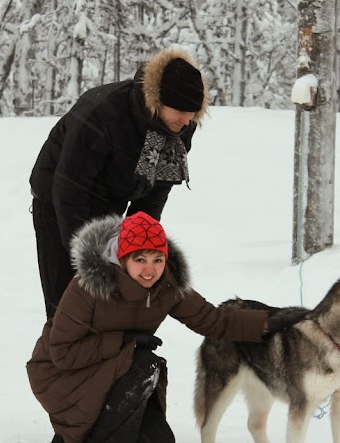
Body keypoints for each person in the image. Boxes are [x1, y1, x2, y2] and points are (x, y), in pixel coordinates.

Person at [26, 212, 305, 443]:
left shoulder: (166, 286)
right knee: (145, 365)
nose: (149, 270)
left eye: (157, 260)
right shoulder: (88, 287)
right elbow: (61, 353)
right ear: (122, 258)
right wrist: (123, 340)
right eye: (140, 260)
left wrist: (269, 323)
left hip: (113, 369)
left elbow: (214, 320)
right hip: (60, 374)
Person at [29, 48, 208, 320]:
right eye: (181, 111)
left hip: (112, 202)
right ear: (158, 101)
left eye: (193, 113)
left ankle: (116, 356)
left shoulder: (178, 128)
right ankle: (56, 357)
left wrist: (138, 247)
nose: (186, 120)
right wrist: (91, 262)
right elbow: (69, 192)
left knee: (117, 295)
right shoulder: (102, 113)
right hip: (57, 205)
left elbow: (155, 192)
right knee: (70, 304)